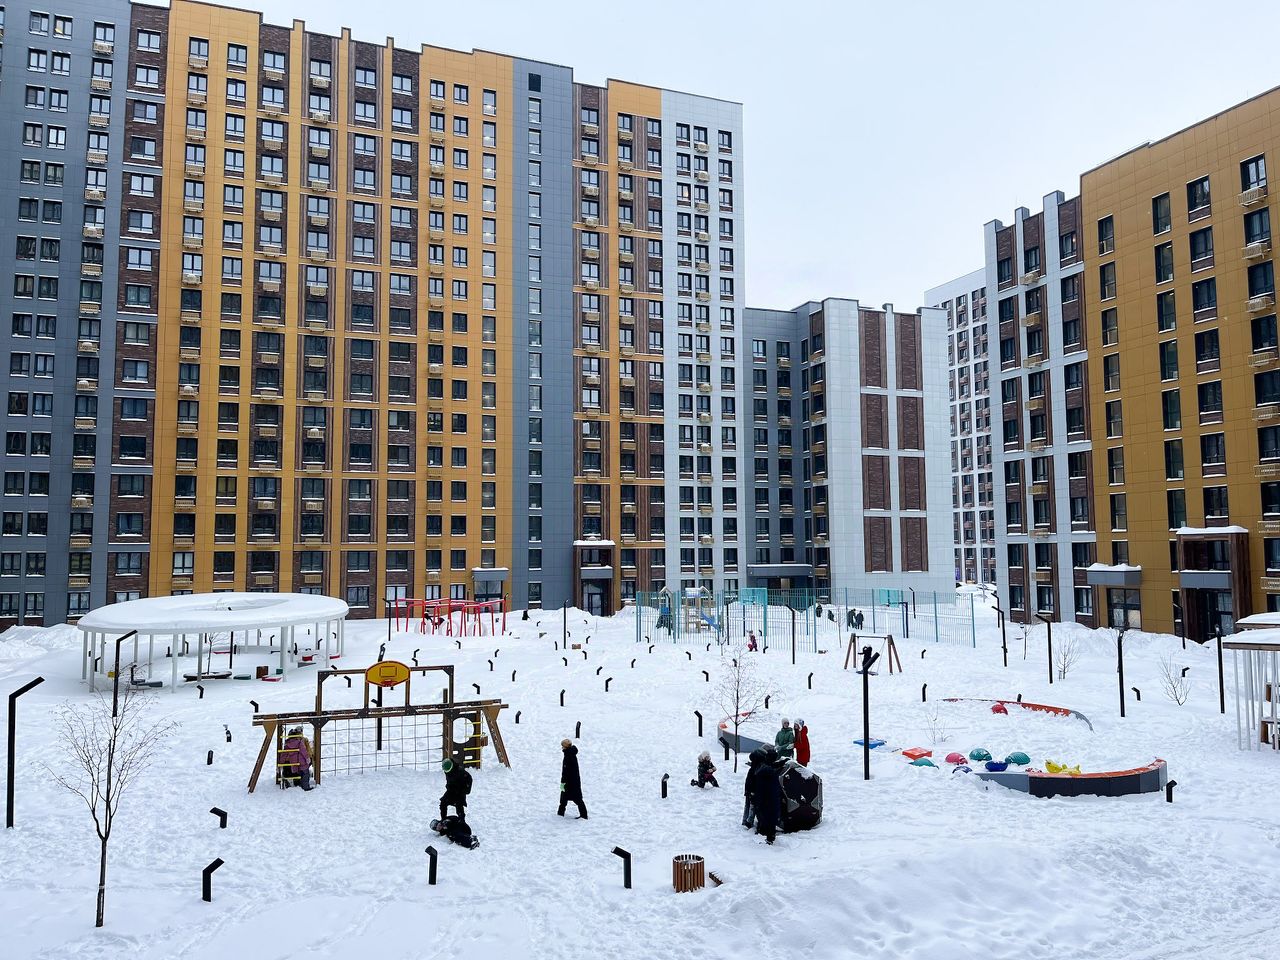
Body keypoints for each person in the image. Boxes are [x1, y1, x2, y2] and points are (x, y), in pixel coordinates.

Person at [749, 746, 783, 844]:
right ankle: (770, 836)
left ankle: (766, 834)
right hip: (773, 798)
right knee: (771, 817)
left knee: (764, 815)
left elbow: (759, 789)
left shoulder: (760, 772)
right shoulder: (772, 772)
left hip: (764, 799)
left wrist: (755, 798)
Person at [558, 738, 588, 819]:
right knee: (575, 799)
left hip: (569, 782)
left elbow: (566, 772)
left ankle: (560, 814)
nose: (562, 748)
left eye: (562, 746)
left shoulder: (568, 756)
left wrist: (563, 782)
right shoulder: (571, 754)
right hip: (574, 781)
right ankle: (583, 815)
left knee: (567, 799)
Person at [279, 726, 314, 790]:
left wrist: (281, 763)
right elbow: (304, 751)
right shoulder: (300, 742)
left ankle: (296, 784)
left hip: (293, 763)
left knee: (296, 773)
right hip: (302, 762)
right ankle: (305, 787)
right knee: (305, 774)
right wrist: (307, 758)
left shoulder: (287, 744)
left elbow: (284, 754)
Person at [439, 756, 471, 823]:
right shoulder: (447, 770)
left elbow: (469, 778)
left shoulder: (460, 772)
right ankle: (443, 819)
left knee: (459, 806)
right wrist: (448, 786)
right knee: (443, 802)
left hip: (460, 792)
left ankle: (462, 822)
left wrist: (466, 790)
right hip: (451, 790)